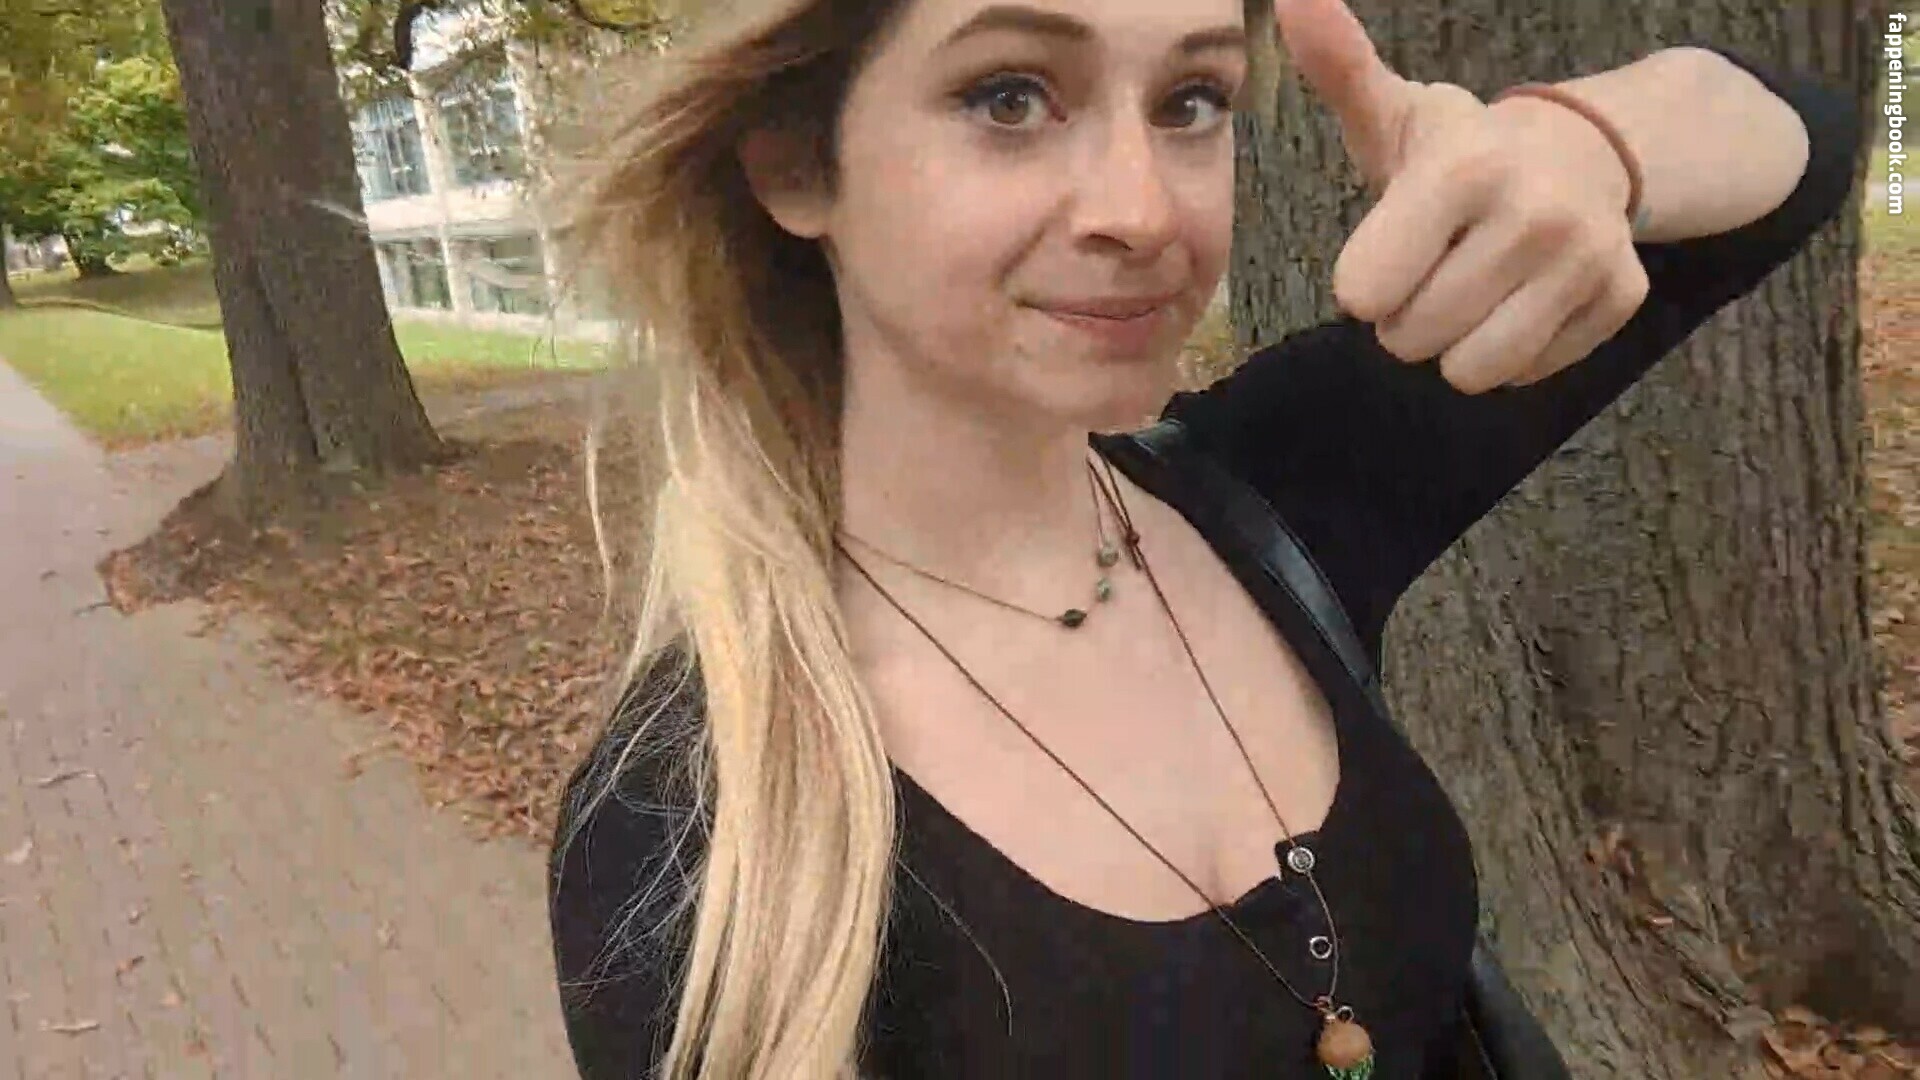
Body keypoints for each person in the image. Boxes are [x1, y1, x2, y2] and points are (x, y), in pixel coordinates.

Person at [545, 0, 1862, 1075]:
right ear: (795, 162)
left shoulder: (1272, 489)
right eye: (1011, 96)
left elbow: (1809, 139)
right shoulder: (699, 828)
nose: (1144, 209)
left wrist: (1587, 145)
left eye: (1190, 102)